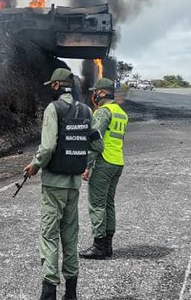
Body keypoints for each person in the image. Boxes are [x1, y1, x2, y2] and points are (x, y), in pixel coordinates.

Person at [24, 68, 93, 300]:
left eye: (51, 85)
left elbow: (47, 147)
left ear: (56, 86)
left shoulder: (53, 109)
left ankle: (49, 292)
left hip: (53, 185)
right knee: (70, 237)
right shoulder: (86, 110)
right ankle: (71, 293)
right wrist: (86, 164)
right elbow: (97, 144)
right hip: (74, 185)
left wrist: (34, 165)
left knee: (49, 235)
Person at [79, 78, 128, 259]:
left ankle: (98, 246)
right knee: (109, 203)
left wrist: (87, 166)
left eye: (95, 92)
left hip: (103, 162)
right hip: (117, 162)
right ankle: (108, 246)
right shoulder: (121, 112)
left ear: (101, 93)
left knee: (97, 204)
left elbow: (94, 140)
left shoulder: (103, 112)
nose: (94, 95)